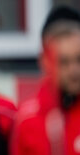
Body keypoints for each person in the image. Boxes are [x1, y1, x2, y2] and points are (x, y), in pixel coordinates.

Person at [11, 6, 80, 155]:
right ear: (46, 62)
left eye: (79, 60)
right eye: (64, 62)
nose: (74, 70)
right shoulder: (28, 119)